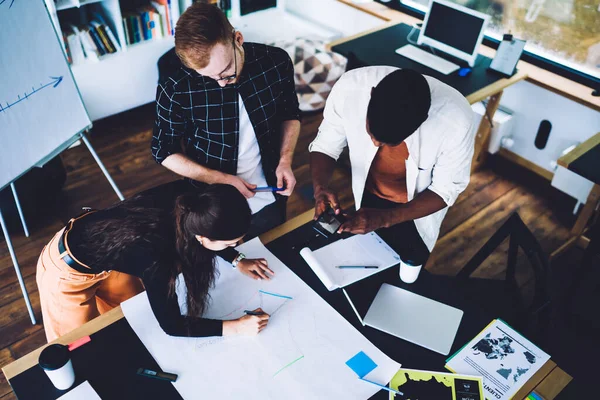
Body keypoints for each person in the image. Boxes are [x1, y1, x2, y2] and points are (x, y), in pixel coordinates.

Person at [36, 180, 274, 342]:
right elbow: (172, 325)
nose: (234, 247)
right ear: (201, 236)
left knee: (131, 319)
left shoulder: (196, 198)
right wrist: (235, 327)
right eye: (229, 244)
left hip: (113, 247)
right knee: (78, 342)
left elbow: (210, 231)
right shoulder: (157, 258)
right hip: (66, 268)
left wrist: (236, 259)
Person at [152, 3, 301, 239]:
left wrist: (285, 160)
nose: (221, 83)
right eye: (210, 78)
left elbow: (290, 114)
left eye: (226, 72)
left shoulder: (275, 62)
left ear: (238, 39)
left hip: (270, 190)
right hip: (211, 203)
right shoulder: (175, 87)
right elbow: (163, 151)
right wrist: (220, 179)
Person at [309, 67, 475, 266]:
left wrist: (386, 218)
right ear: (371, 96)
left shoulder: (456, 123)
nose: (375, 145)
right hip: (366, 193)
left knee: (407, 269)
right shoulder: (350, 87)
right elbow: (326, 145)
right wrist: (320, 188)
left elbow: (445, 189)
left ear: (423, 121)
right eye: (371, 133)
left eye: (389, 142)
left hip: (417, 210)